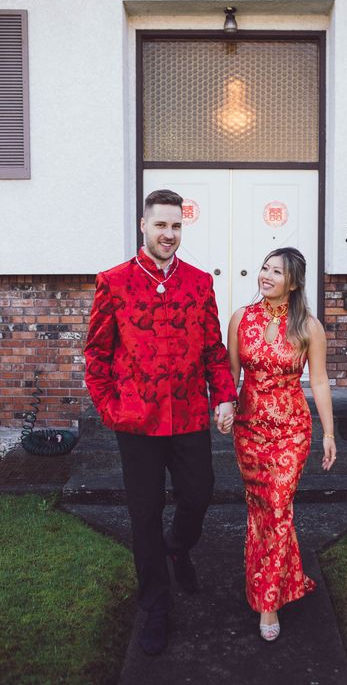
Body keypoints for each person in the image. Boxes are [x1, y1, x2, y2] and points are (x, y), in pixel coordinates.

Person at [84, 189, 237, 656]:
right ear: (144, 226)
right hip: (138, 422)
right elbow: (96, 354)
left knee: (199, 493)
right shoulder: (113, 282)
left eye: (176, 226)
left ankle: (179, 546)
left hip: (189, 414)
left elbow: (214, 348)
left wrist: (225, 397)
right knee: (144, 515)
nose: (169, 234)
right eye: (161, 225)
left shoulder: (197, 282)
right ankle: (155, 605)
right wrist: (112, 408)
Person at [227, 247, 337, 642]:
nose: (266, 276)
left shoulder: (308, 327)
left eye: (277, 272)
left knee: (276, 506)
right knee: (264, 510)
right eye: (264, 268)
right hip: (250, 431)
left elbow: (320, 381)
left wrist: (328, 433)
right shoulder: (241, 318)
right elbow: (231, 376)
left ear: (293, 283)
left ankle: (267, 598)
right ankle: (286, 579)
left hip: (292, 431)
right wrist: (223, 408)